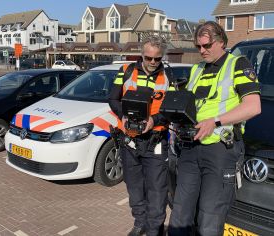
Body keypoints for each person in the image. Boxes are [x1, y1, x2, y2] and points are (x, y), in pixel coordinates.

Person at [168, 21, 261, 236]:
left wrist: (216, 121)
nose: (202, 51)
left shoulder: (238, 64)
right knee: (179, 215)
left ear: (221, 42)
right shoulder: (197, 69)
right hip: (190, 147)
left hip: (220, 151)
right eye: (198, 46)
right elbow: (192, 106)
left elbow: (253, 106)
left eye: (206, 46)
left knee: (209, 220)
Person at [109, 35, 175, 236]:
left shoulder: (168, 76)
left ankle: (154, 229)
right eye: (148, 58)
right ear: (141, 55)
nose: (153, 63)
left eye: (157, 58)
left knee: (157, 189)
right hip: (129, 140)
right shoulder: (126, 71)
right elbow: (113, 98)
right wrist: (124, 116)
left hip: (155, 141)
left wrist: (154, 120)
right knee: (134, 186)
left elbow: (171, 109)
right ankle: (140, 223)